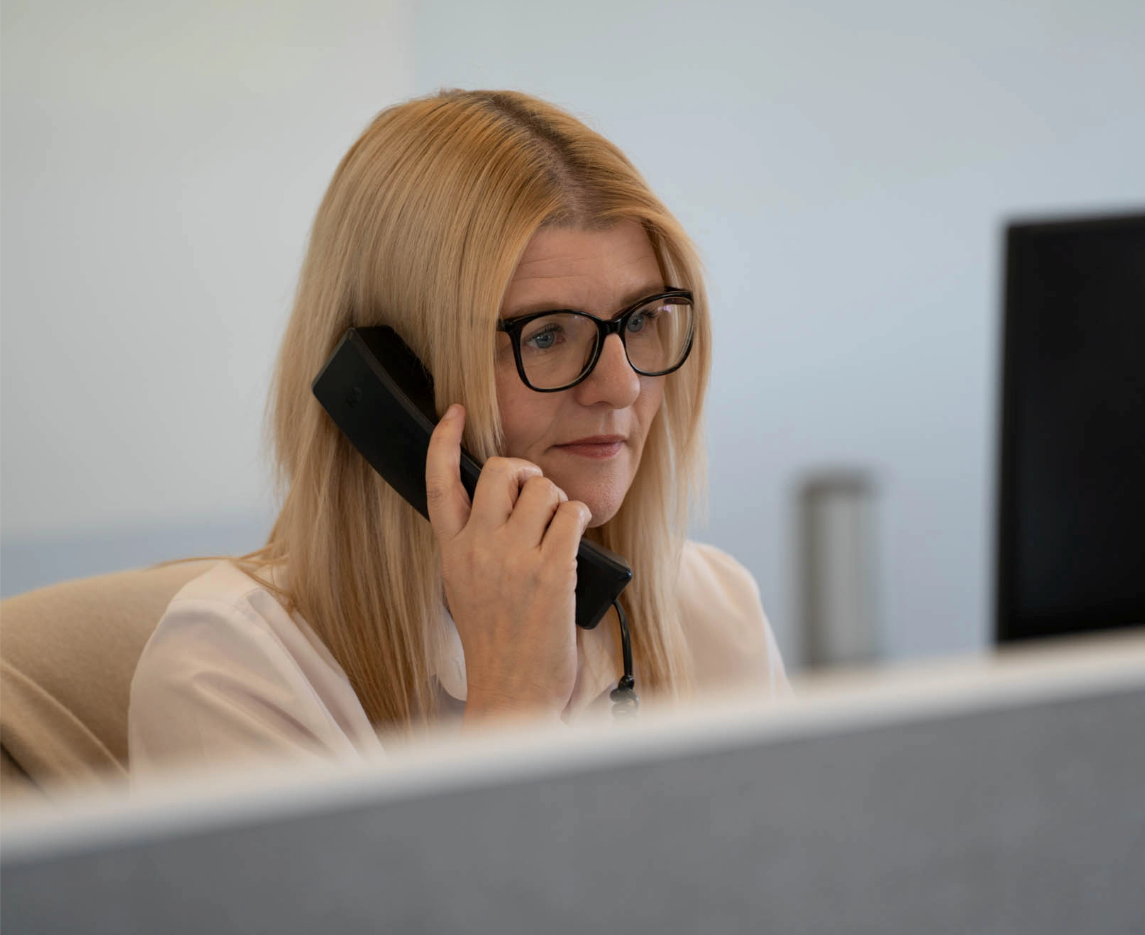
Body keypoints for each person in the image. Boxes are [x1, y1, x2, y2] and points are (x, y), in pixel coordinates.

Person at [128, 90, 789, 776]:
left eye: (643, 319)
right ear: (393, 384)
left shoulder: (712, 609)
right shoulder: (227, 673)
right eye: (548, 335)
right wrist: (514, 702)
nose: (621, 386)